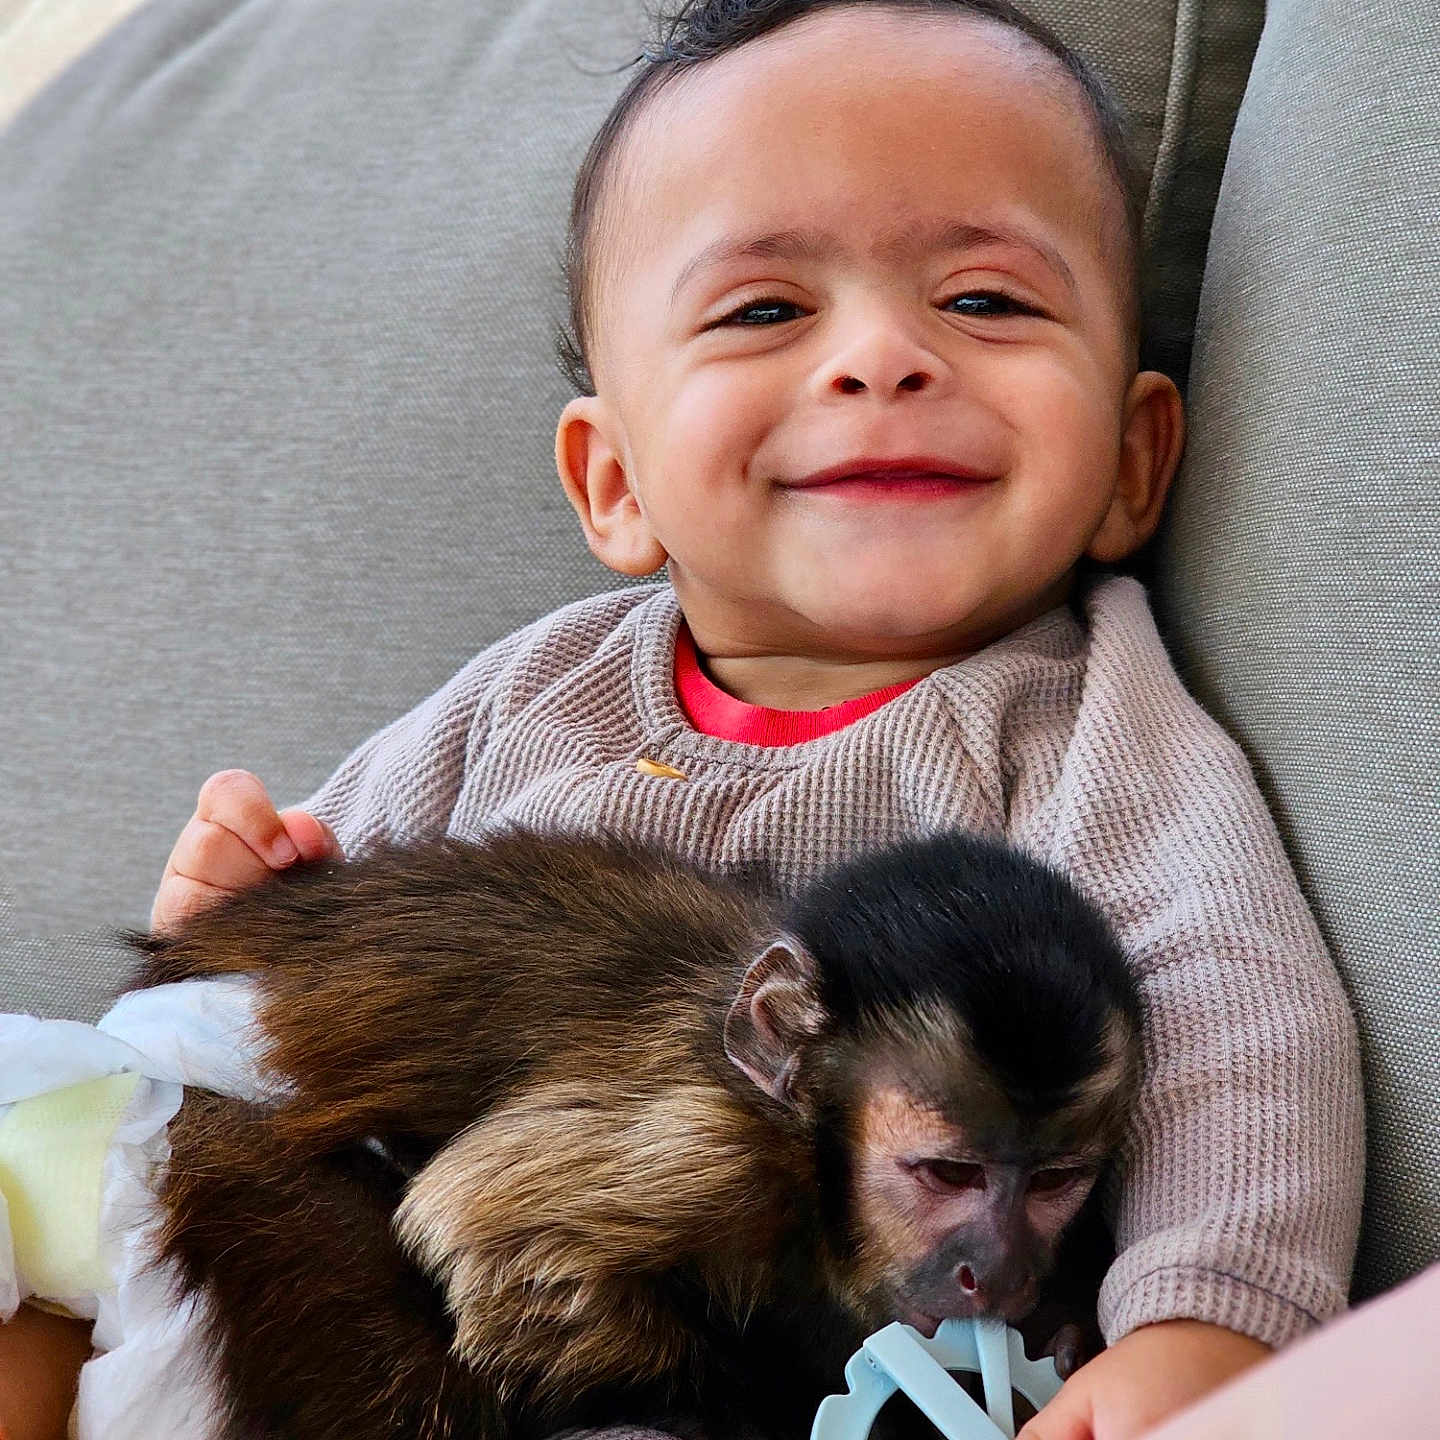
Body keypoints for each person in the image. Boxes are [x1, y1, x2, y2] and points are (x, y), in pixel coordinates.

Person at [0, 3, 1364, 1438]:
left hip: (761, 1376)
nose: (882, 359)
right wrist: (230, 918)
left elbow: (1234, 1021)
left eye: (985, 301)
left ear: (1136, 462)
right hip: (377, 1281)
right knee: (47, 1253)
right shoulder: (530, 695)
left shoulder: (1092, 728)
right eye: (769, 311)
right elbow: (290, 989)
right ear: (614, 484)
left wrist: (1206, 1328)